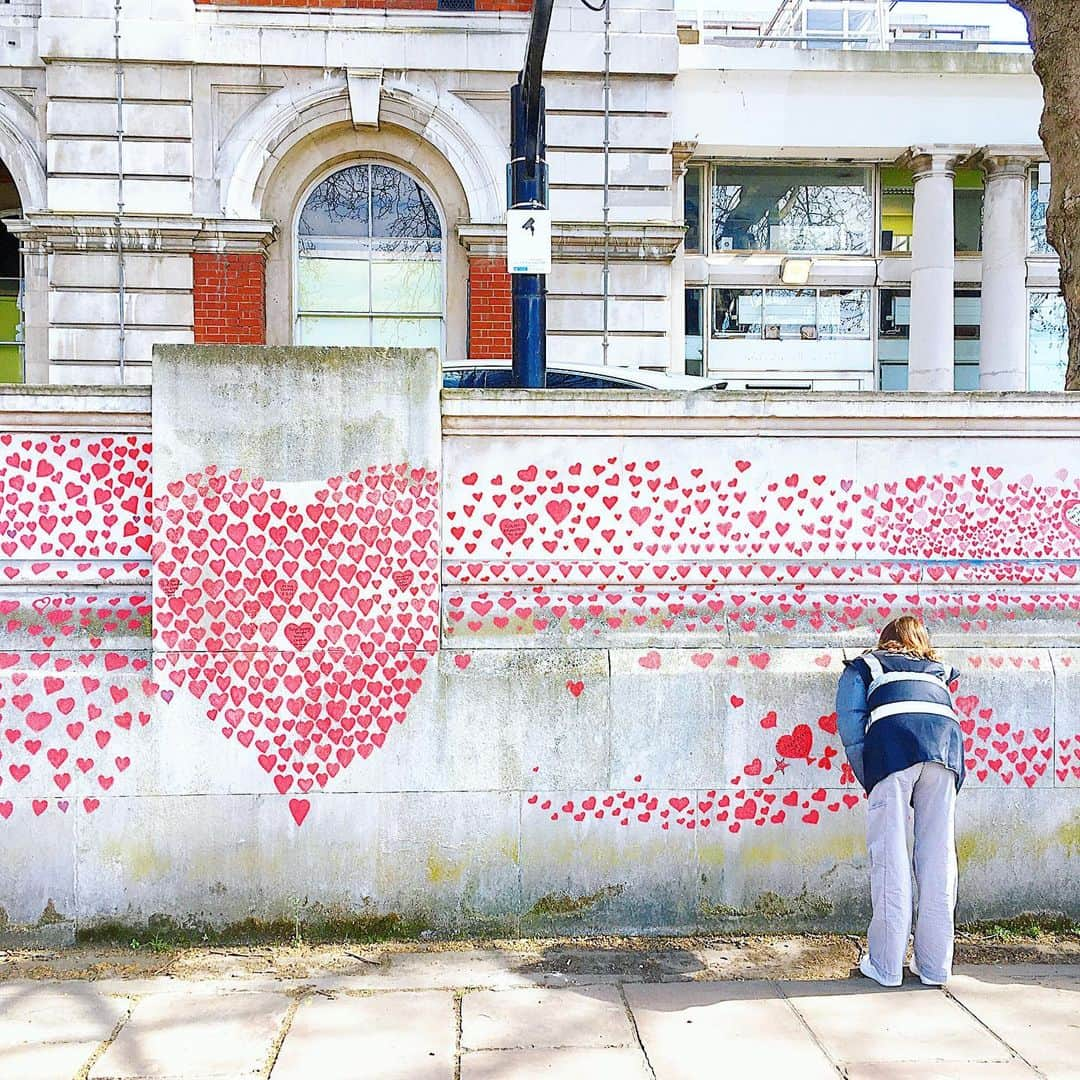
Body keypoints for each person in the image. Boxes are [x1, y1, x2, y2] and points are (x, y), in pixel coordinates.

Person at [836, 616, 965, 988]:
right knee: (938, 856)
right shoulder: (937, 671)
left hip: (892, 747)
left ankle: (886, 965)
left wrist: (871, 779)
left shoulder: (865, 665)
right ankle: (935, 967)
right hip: (945, 751)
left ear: (884, 640)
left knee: (889, 854)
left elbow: (851, 728)